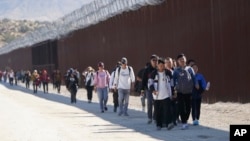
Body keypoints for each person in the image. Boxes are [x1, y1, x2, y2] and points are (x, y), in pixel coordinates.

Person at [173, 54, 199, 130]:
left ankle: (186, 119)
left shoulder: (190, 69)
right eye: (180, 59)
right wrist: (173, 89)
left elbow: (194, 78)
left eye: (183, 59)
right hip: (180, 92)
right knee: (181, 107)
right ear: (178, 61)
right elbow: (173, 80)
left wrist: (196, 84)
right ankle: (184, 123)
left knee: (188, 107)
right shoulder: (176, 71)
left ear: (185, 59)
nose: (182, 60)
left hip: (189, 91)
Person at [148, 58, 175, 130]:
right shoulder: (153, 73)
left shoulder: (168, 73)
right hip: (157, 96)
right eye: (160, 65)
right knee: (158, 111)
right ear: (158, 66)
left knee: (167, 110)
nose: (161, 67)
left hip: (166, 94)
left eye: (163, 65)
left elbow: (172, 83)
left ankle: (168, 124)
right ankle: (158, 125)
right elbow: (150, 83)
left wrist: (172, 92)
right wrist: (153, 90)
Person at [140, 54, 158, 123]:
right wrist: (142, 90)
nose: (155, 62)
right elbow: (144, 80)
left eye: (156, 60)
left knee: (156, 103)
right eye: (153, 60)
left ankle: (155, 117)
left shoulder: (158, 69)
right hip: (148, 89)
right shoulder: (147, 70)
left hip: (157, 89)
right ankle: (149, 117)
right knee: (150, 102)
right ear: (150, 61)